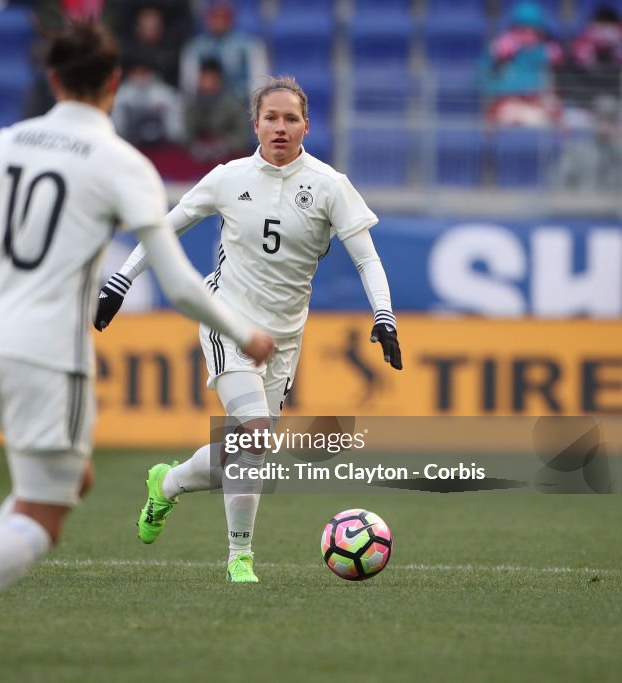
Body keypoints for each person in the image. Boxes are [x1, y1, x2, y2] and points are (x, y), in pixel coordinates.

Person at [0, 19, 274, 665]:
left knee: (67, 478)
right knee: (46, 510)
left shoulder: (4, 143)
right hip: (47, 354)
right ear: (115, 84)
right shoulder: (122, 163)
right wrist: (242, 331)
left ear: (52, 78)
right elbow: (176, 279)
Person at [94, 75, 404, 583]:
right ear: (255, 123)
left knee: (244, 449)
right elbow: (164, 229)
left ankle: (167, 484)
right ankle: (240, 557)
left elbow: (368, 260)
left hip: (284, 340)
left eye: (291, 119)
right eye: (271, 118)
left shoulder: (330, 185)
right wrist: (119, 282)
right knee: (256, 438)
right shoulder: (227, 177)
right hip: (228, 321)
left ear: (306, 125)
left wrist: (384, 315)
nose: (280, 128)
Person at [479, 1, 564, 127]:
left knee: (551, 107)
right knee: (503, 114)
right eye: (523, 29)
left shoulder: (548, 50)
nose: (528, 34)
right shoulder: (504, 46)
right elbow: (485, 76)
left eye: (533, 29)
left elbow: (557, 76)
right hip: (508, 99)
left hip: (537, 100)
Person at [179, 0, 268, 100]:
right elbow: (189, 83)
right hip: (207, 102)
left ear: (230, 19)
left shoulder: (248, 45)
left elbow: (259, 78)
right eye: (215, 17)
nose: (218, 22)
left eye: (222, 17)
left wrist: (254, 101)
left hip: (240, 101)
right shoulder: (195, 47)